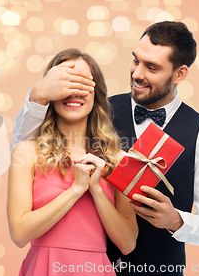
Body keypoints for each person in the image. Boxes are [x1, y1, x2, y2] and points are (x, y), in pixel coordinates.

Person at [11, 21, 199, 276]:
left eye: (152, 67)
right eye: (136, 61)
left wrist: (177, 221)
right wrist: (37, 97)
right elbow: (29, 144)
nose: (137, 74)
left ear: (179, 74)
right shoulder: (96, 113)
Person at [7, 48, 138, 276]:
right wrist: (76, 189)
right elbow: (19, 234)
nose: (73, 92)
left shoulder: (119, 161)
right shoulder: (26, 153)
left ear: (96, 95)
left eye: (83, 84)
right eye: (66, 83)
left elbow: (127, 244)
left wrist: (96, 188)